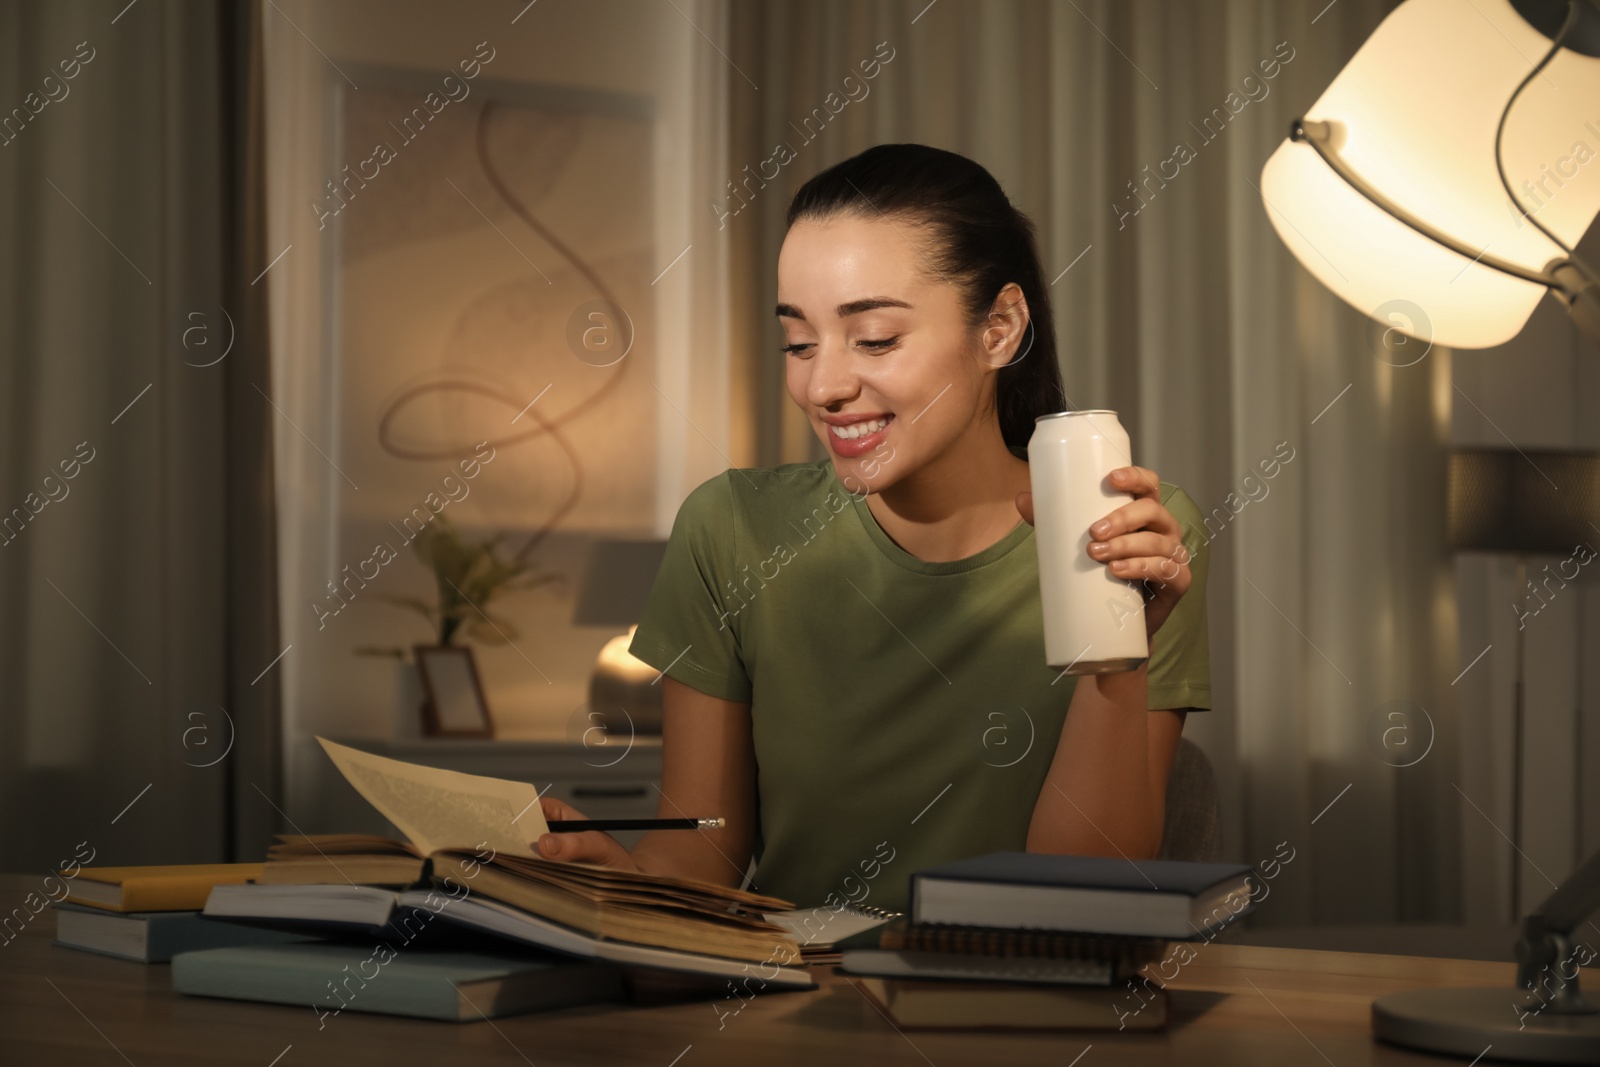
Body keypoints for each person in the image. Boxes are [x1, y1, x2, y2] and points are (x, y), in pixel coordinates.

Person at [536, 143, 1210, 915]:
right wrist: (612, 876)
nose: (823, 385)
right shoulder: (731, 529)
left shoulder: (1133, 534)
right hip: (789, 1004)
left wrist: (1117, 655)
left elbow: (1083, 892)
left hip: (1015, 1001)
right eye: (798, 342)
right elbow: (704, 847)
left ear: (999, 327)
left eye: (876, 338)